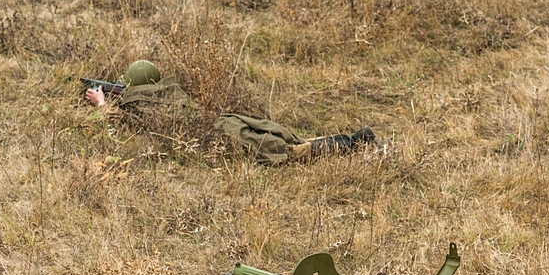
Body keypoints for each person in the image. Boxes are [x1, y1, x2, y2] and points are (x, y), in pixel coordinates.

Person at [83, 60, 376, 165]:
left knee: (287, 153)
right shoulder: (169, 90)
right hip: (223, 121)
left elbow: (116, 128)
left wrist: (102, 104)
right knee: (282, 137)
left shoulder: (137, 101)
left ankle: (350, 145)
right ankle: (352, 142)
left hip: (219, 135)